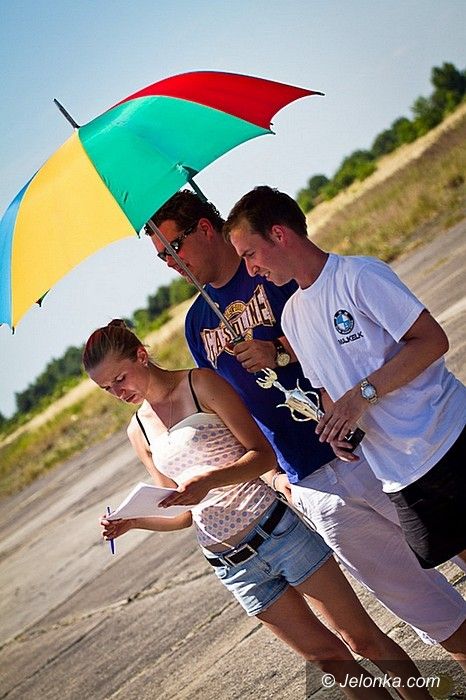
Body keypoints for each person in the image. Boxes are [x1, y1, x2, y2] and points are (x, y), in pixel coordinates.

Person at [148, 189, 466, 670]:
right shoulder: (197, 324)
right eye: (161, 257)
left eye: (173, 247)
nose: (171, 263)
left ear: (205, 229)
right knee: (418, 603)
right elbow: (228, 410)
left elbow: (332, 328)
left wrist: (274, 351)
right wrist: (274, 476)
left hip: (374, 450)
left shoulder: (277, 271)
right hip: (309, 479)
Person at [84, 320, 430, 698]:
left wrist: (211, 480)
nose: (117, 392)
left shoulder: (201, 384)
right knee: (329, 660)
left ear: (141, 355)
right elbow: (180, 512)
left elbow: (262, 455)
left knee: (361, 640)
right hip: (232, 566)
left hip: (278, 532)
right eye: (107, 388)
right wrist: (134, 522)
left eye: (119, 378)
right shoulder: (138, 431)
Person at [224, 185, 466, 573]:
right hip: (399, 473)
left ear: (279, 234)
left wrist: (362, 395)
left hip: (448, 437)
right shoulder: (292, 316)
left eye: (250, 254)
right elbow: (327, 389)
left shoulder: (358, 275)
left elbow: (432, 340)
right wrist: (335, 426)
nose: (251, 270)